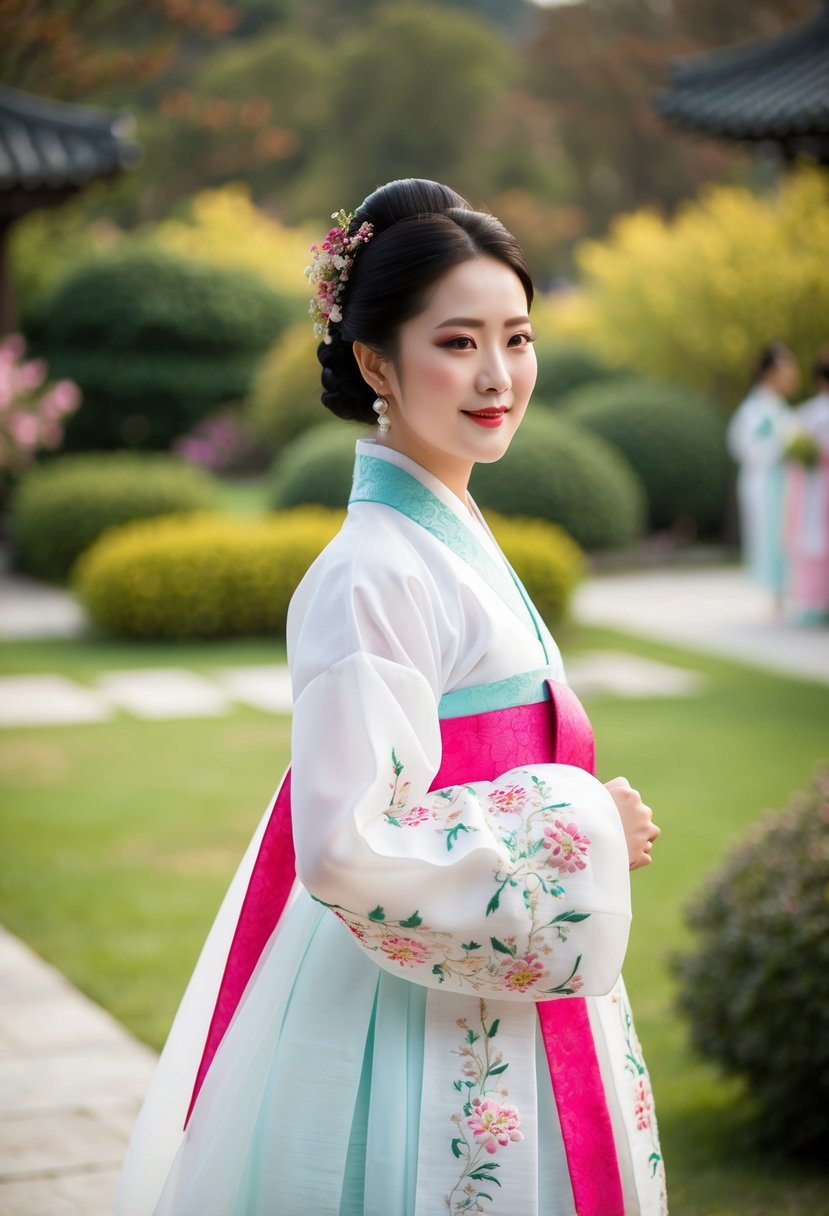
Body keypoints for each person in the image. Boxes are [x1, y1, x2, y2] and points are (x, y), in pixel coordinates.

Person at [116, 179, 666, 1216]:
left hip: (488, 967)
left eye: (517, 336)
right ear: (376, 360)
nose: (498, 374)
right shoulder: (372, 570)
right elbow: (348, 840)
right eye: (456, 342)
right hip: (410, 1010)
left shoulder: (444, 537)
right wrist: (582, 823)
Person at [727, 342, 799, 604]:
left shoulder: (775, 407)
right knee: (770, 536)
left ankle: (785, 591)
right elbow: (746, 447)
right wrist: (784, 448)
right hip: (765, 482)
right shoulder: (756, 410)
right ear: (770, 373)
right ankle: (776, 592)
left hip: (782, 481)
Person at [783, 348, 829, 624]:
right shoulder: (812, 413)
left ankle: (814, 601)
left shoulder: (808, 413)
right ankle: (815, 601)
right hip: (816, 487)